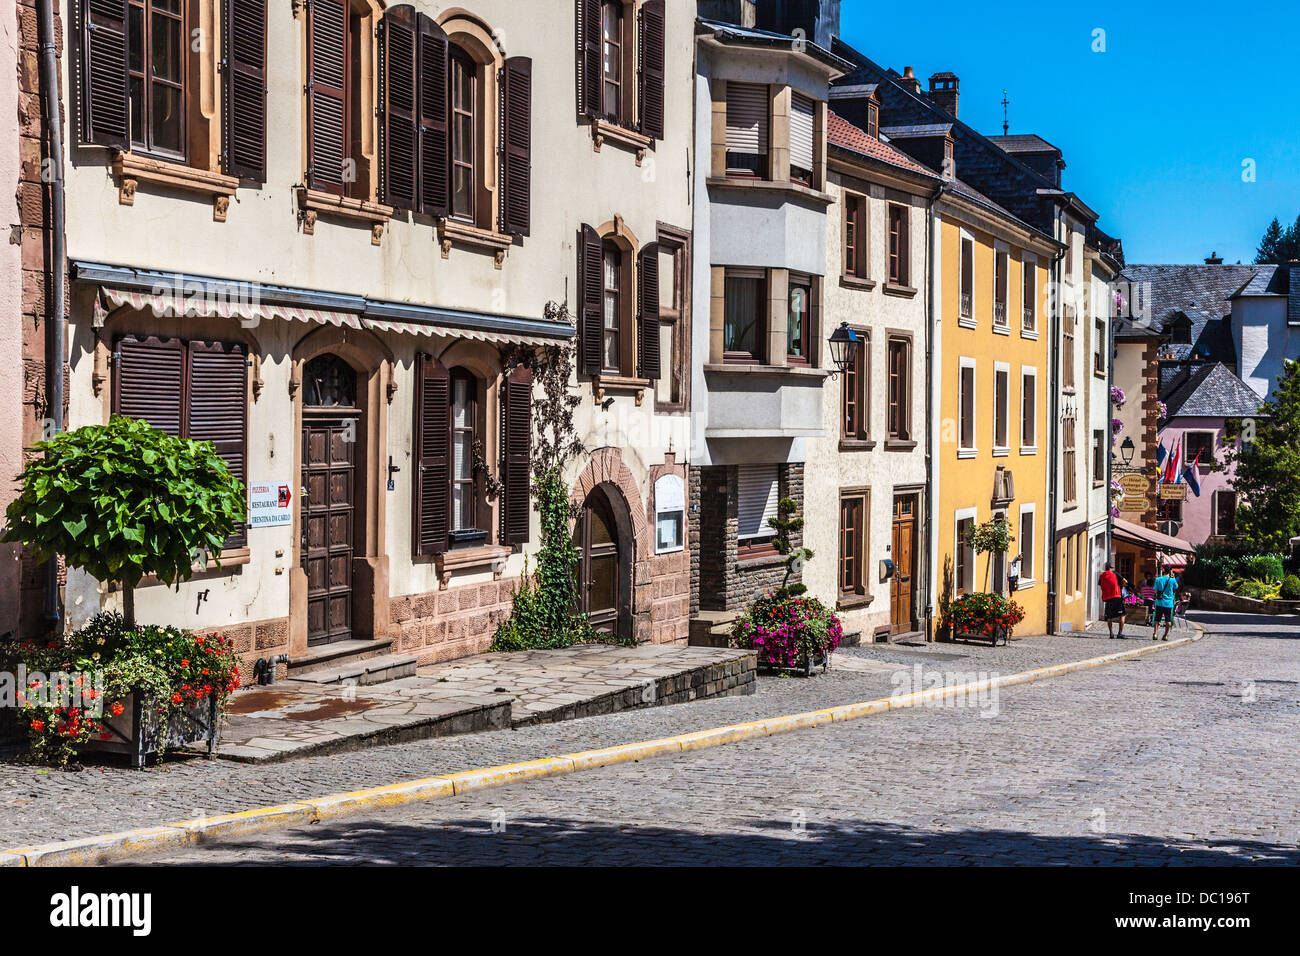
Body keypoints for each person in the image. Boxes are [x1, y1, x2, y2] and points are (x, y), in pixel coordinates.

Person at [1098, 562, 1126, 638]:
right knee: (1122, 615)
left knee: (1109, 617)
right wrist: (1122, 585)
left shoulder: (1102, 576)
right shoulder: (1114, 573)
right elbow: (1125, 581)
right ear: (1111, 568)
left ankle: (1111, 633)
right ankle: (1120, 633)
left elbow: (1100, 584)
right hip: (1116, 596)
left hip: (1107, 598)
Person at [1151, 569, 1179, 641]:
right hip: (1168, 603)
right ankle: (1165, 635)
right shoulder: (1172, 580)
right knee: (1168, 620)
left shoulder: (1158, 579)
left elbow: (1155, 591)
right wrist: (1174, 578)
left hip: (1159, 602)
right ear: (1170, 572)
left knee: (1157, 619)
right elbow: (1176, 587)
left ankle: (1155, 634)